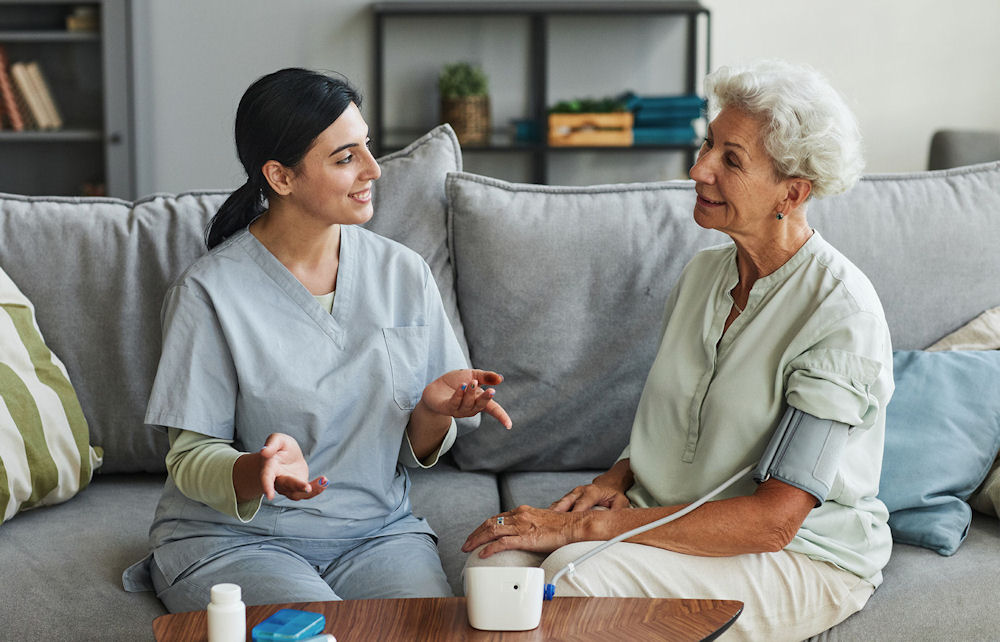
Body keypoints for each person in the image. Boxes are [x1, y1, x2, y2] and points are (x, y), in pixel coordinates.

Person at [462, 59, 893, 641]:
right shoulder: (704, 276)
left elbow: (773, 523)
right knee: (495, 564)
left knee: (572, 578)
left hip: (804, 559)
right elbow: (679, 426)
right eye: (706, 145)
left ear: (791, 192)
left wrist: (583, 531)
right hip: (673, 520)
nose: (698, 169)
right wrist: (615, 481)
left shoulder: (841, 316)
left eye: (730, 160)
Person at [122, 68, 511, 613]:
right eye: (345, 157)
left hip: (377, 536)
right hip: (238, 542)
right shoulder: (208, 292)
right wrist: (257, 470)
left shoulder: (404, 273)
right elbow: (190, 458)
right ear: (280, 177)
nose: (374, 170)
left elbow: (409, 447)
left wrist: (432, 411)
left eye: (367, 147)